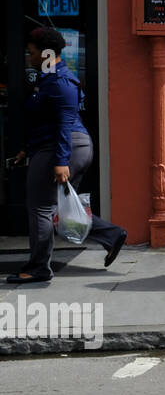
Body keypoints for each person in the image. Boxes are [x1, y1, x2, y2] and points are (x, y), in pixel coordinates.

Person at [7, 28, 128, 285]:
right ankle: (112, 234)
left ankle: (39, 267)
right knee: (58, 208)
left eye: (32, 52)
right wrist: (28, 148)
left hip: (62, 148)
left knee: (40, 207)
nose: (29, 57)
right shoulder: (49, 78)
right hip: (58, 147)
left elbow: (63, 124)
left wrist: (61, 161)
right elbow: (45, 121)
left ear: (46, 53)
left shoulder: (61, 82)